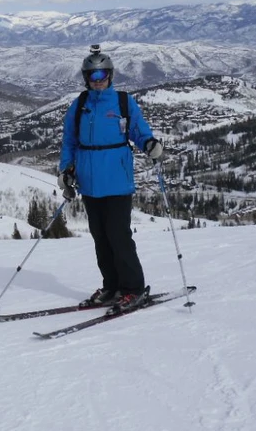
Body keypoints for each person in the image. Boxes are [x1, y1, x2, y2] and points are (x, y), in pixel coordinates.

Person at [57, 45, 163, 313]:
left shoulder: (123, 102)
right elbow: (69, 140)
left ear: (111, 74)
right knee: (101, 238)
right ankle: (112, 285)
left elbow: (139, 131)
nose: (98, 80)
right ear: (85, 78)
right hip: (89, 183)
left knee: (119, 236)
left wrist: (149, 143)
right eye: (92, 76)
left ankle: (133, 288)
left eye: (102, 74)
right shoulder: (80, 105)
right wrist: (66, 169)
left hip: (116, 181)